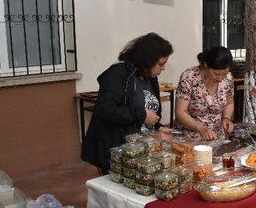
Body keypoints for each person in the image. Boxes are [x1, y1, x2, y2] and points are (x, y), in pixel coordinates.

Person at [82, 33, 173, 174]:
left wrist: (156, 127)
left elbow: (146, 110)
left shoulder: (150, 77)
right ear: (147, 60)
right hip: (117, 149)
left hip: (141, 148)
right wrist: (142, 116)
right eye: (161, 64)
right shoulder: (117, 74)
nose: (163, 68)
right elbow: (106, 109)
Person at [175, 47, 235, 140]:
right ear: (206, 65)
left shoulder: (228, 78)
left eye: (224, 74)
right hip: (189, 137)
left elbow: (229, 103)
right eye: (216, 74)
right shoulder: (189, 77)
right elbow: (180, 112)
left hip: (216, 137)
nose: (220, 78)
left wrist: (226, 118)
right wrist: (200, 128)